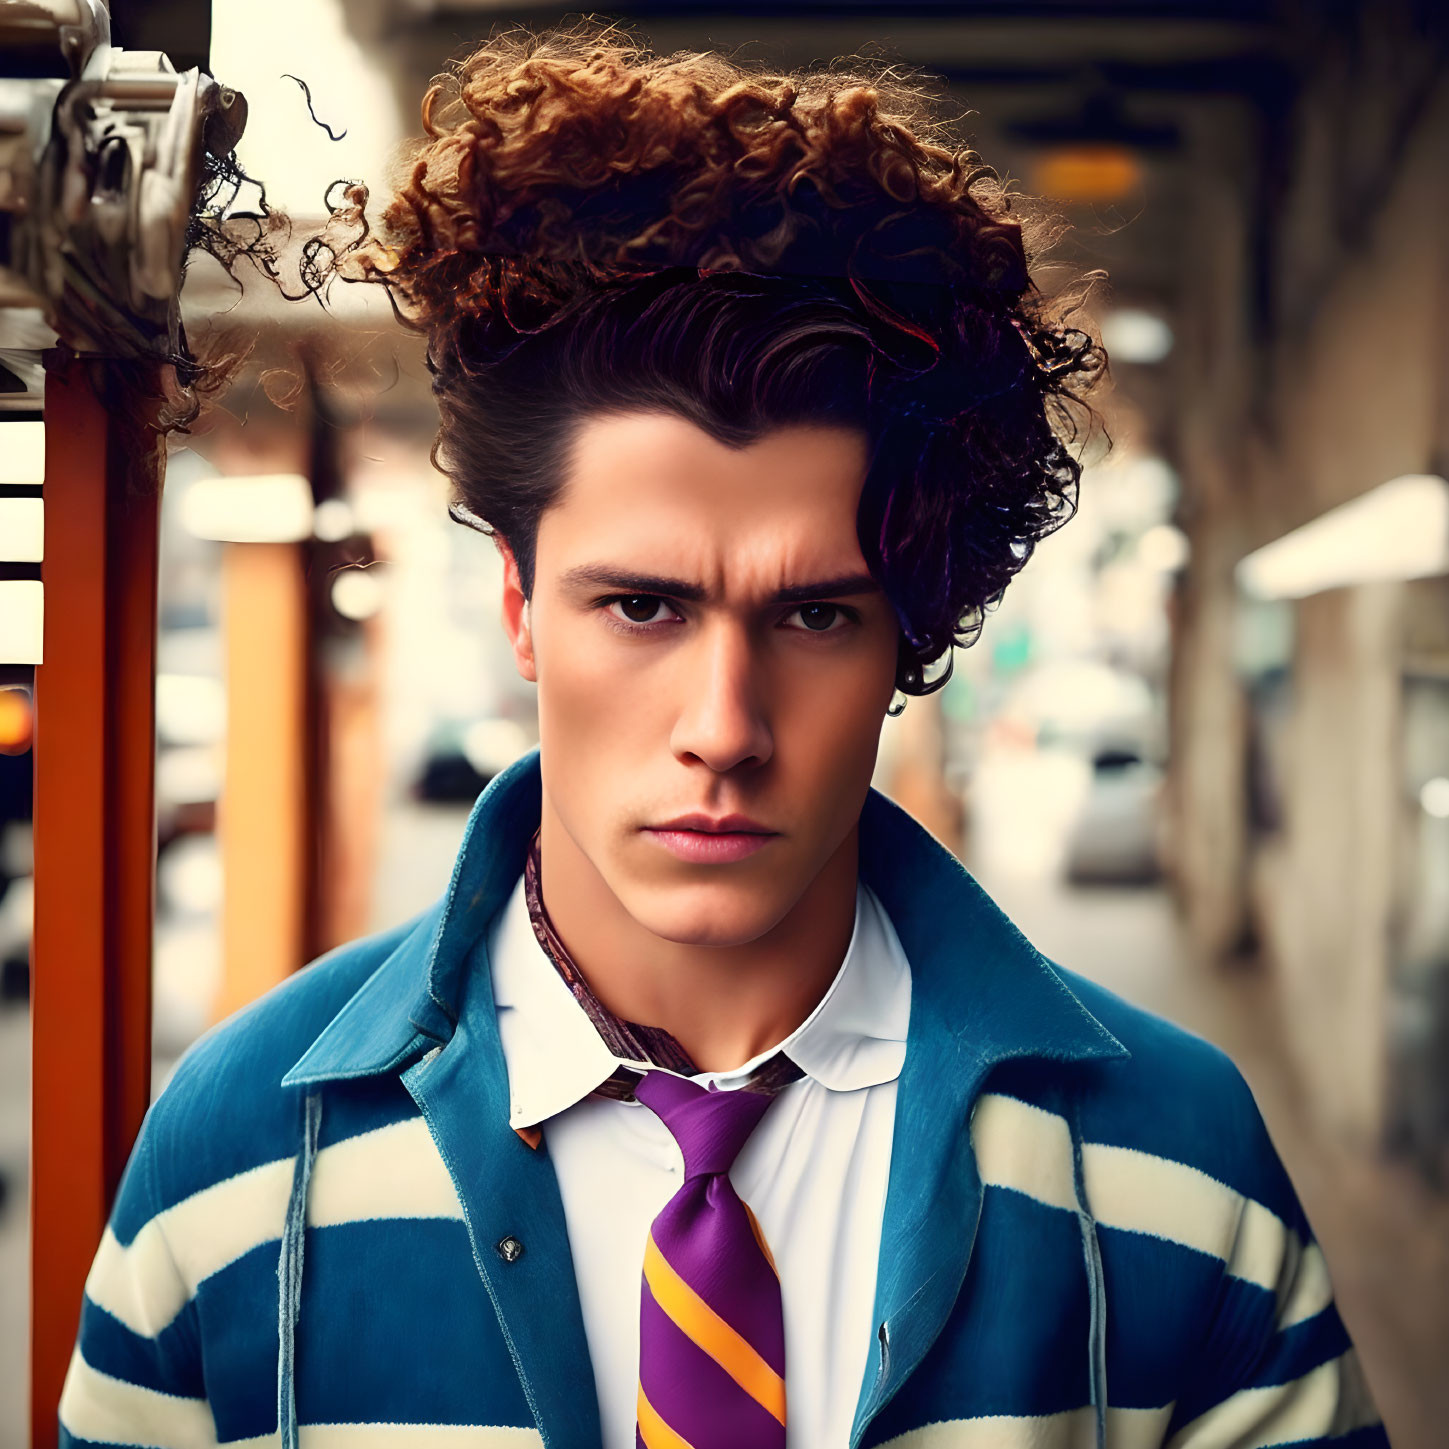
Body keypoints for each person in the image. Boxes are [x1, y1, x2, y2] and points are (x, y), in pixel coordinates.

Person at [60, 22, 1388, 1449]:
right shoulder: (241, 1151)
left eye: (815, 616)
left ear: (904, 638)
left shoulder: (1177, 1163)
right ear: (517, 605)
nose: (723, 727)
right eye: (640, 606)